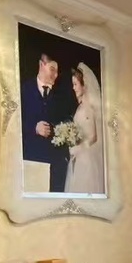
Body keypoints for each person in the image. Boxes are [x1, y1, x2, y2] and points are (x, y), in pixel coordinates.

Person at [20, 52, 77, 192]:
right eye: (52, 69)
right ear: (41, 65)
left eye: (57, 71)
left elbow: (69, 120)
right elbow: (13, 122)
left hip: (56, 164)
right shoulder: (23, 89)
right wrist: (34, 128)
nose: (55, 75)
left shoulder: (63, 94)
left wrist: (57, 129)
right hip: (31, 160)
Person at [63, 64, 105, 194]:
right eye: (73, 84)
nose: (73, 88)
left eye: (75, 84)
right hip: (79, 157)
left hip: (86, 157)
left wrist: (79, 148)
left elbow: (93, 136)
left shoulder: (89, 107)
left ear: (84, 85)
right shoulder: (80, 106)